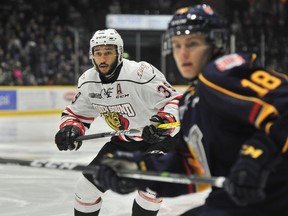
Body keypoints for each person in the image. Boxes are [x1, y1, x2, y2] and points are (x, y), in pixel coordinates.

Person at [92, 4, 288, 216]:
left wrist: (255, 157)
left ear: (216, 43)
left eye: (192, 44)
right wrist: (140, 171)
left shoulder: (223, 73)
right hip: (237, 202)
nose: (183, 54)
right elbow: (192, 167)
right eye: (176, 45)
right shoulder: (190, 102)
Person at [54, 28, 182, 216]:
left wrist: (162, 122)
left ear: (119, 53)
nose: (103, 59)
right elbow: (76, 114)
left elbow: (176, 101)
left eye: (108, 52)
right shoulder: (88, 81)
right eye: (98, 53)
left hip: (159, 140)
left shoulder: (140, 74)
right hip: (124, 143)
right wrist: (70, 129)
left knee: (151, 187)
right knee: (85, 190)